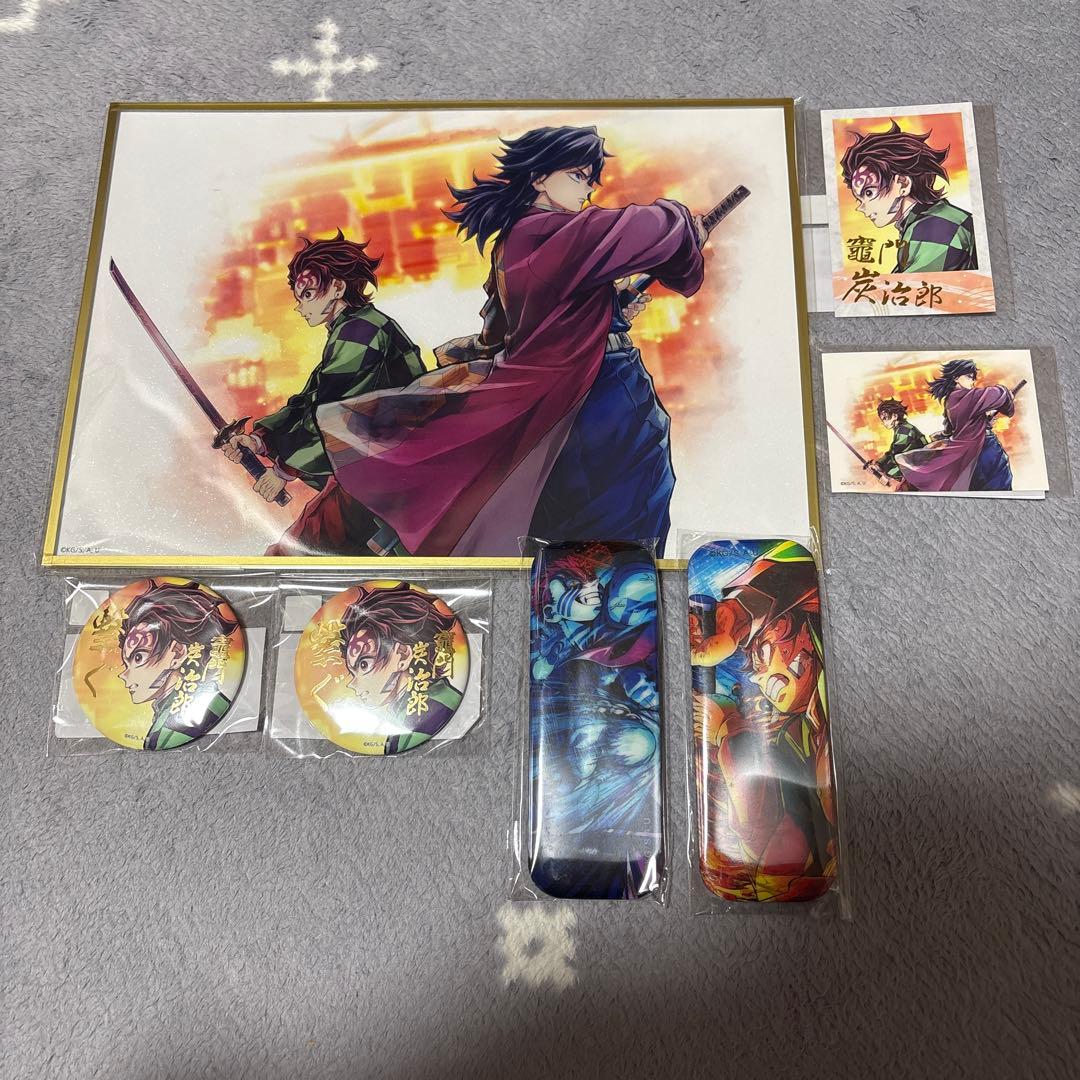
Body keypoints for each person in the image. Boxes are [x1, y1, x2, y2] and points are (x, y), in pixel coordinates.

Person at [316, 125, 707, 556]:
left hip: (585, 396)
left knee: (596, 520)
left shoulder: (517, 242)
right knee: (624, 511)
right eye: (578, 175)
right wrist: (685, 227)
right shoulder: (547, 233)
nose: (588, 190)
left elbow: (527, 323)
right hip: (600, 397)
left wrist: (610, 309)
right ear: (539, 177)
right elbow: (650, 228)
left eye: (590, 179)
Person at [222, 230, 425, 555]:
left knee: (289, 558)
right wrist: (259, 440)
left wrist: (283, 471)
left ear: (338, 288)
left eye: (308, 294)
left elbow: (335, 413)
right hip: (372, 473)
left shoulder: (361, 332)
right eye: (299, 296)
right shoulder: (352, 329)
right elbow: (309, 402)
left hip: (385, 476)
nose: (300, 307)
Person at [689, 542, 836, 901]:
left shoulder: (813, 725)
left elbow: (791, 568)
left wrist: (738, 616)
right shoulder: (793, 734)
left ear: (787, 626)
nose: (758, 675)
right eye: (755, 661)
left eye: (764, 652)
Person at [337, 582, 463, 754]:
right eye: (353, 671)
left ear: (403, 655)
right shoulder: (407, 713)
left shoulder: (432, 711)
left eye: (364, 664)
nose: (352, 684)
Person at [841, 120, 977, 273]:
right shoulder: (923, 224)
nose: (861, 207)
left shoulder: (938, 226)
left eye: (869, 192)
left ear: (903, 184)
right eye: (859, 199)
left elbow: (915, 286)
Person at [117, 580, 237, 750]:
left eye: (138, 657)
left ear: (178, 653)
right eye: (126, 662)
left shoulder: (171, 730)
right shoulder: (172, 717)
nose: (122, 675)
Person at [896, 358, 1015, 491]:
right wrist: (1006, 393)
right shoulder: (966, 397)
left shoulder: (950, 400)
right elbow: (998, 394)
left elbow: (957, 427)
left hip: (973, 452)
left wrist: (984, 421)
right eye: (969, 377)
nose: (973, 382)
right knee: (998, 485)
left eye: (973, 378)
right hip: (985, 449)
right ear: (956, 378)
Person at [874, 397, 928, 482]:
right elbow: (893, 452)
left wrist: (887, 474)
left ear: (895, 416)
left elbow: (897, 456)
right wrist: (879, 464)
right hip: (914, 464)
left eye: (885, 418)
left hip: (920, 467)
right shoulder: (901, 429)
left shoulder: (905, 431)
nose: (884, 423)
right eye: (882, 420)